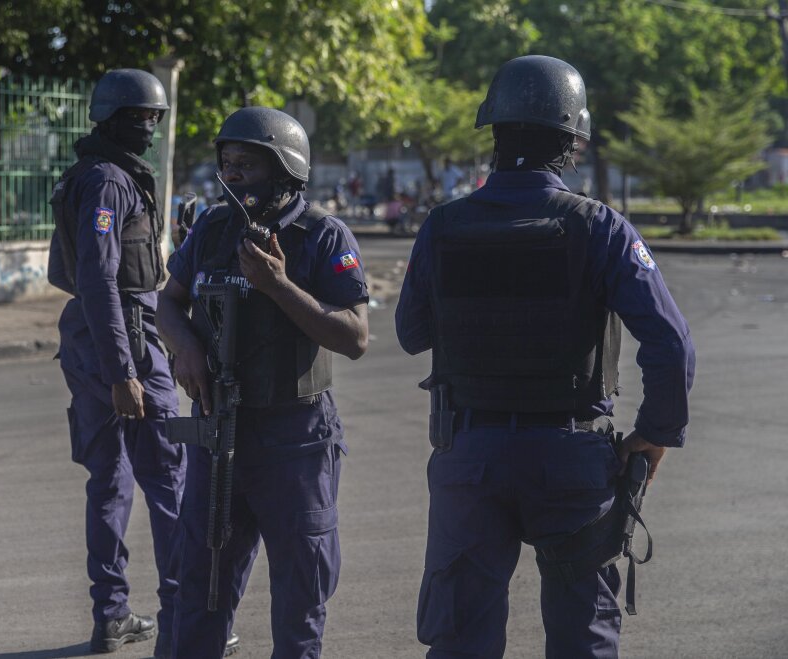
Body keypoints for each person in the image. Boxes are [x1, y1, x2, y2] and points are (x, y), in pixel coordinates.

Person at [395, 55, 695, 659]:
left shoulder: (443, 225)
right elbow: (670, 342)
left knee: (459, 640)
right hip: (570, 458)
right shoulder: (601, 227)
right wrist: (655, 434)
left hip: (470, 456)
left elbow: (410, 333)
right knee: (582, 639)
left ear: (495, 134)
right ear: (574, 141)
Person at [156, 106, 369, 658]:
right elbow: (168, 303)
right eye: (227, 165)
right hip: (219, 431)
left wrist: (277, 285)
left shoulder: (322, 235)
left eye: (246, 166)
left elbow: (354, 336)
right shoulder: (212, 227)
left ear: (284, 169)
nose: (232, 178)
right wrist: (186, 349)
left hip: (294, 439)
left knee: (301, 595)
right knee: (201, 590)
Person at [47, 68, 190, 658]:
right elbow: (100, 279)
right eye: (140, 118)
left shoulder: (101, 175)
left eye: (155, 117)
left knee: (110, 483)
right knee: (165, 478)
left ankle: (112, 616)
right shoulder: (108, 182)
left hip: (96, 340)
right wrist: (124, 372)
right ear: (110, 120)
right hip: (122, 340)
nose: (149, 128)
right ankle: (184, 615)